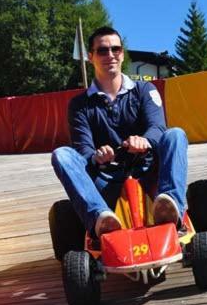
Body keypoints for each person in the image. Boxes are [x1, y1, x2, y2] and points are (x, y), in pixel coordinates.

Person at [52, 26, 188, 239]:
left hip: (147, 171)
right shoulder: (79, 105)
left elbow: (158, 128)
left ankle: (171, 211)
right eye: (102, 50)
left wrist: (144, 141)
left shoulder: (145, 90)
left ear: (122, 54)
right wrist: (96, 156)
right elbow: (83, 149)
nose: (110, 55)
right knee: (62, 155)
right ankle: (100, 219)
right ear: (91, 57)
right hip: (106, 180)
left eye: (115, 49)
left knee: (175, 134)